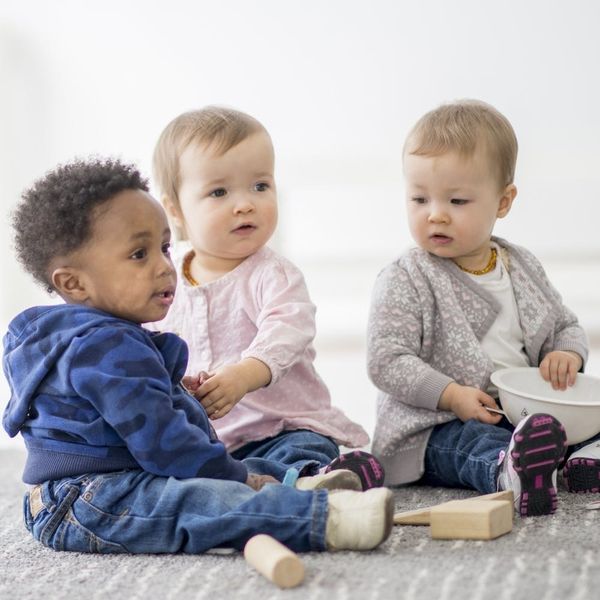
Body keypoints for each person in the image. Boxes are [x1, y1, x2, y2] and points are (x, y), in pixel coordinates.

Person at [2, 158, 394, 554]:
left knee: (226, 466)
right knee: (196, 501)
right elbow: (165, 444)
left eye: (164, 248)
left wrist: (175, 394)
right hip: (88, 500)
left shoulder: (88, 339)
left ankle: (297, 482)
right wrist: (238, 480)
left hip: (112, 479)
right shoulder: (104, 347)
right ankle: (322, 517)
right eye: (138, 254)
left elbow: (116, 417)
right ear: (74, 283)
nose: (164, 266)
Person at [367, 99, 593, 517]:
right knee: (472, 443)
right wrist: (451, 395)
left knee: (570, 424)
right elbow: (386, 360)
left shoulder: (521, 265)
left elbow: (564, 324)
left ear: (503, 202)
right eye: (419, 199)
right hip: (436, 425)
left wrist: (567, 354)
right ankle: (508, 470)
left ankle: (579, 459)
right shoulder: (407, 276)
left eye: (457, 201)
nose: (436, 215)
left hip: (520, 412)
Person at [149, 106, 384, 491]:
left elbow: (287, 329)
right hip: (209, 438)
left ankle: (313, 478)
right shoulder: (162, 279)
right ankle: (258, 484)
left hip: (281, 425)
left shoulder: (272, 274)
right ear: (175, 210)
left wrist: (245, 373)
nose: (245, 204)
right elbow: (145, 343)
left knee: (304, 445)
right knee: (178, 469)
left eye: (260, 186)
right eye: (219, 192)